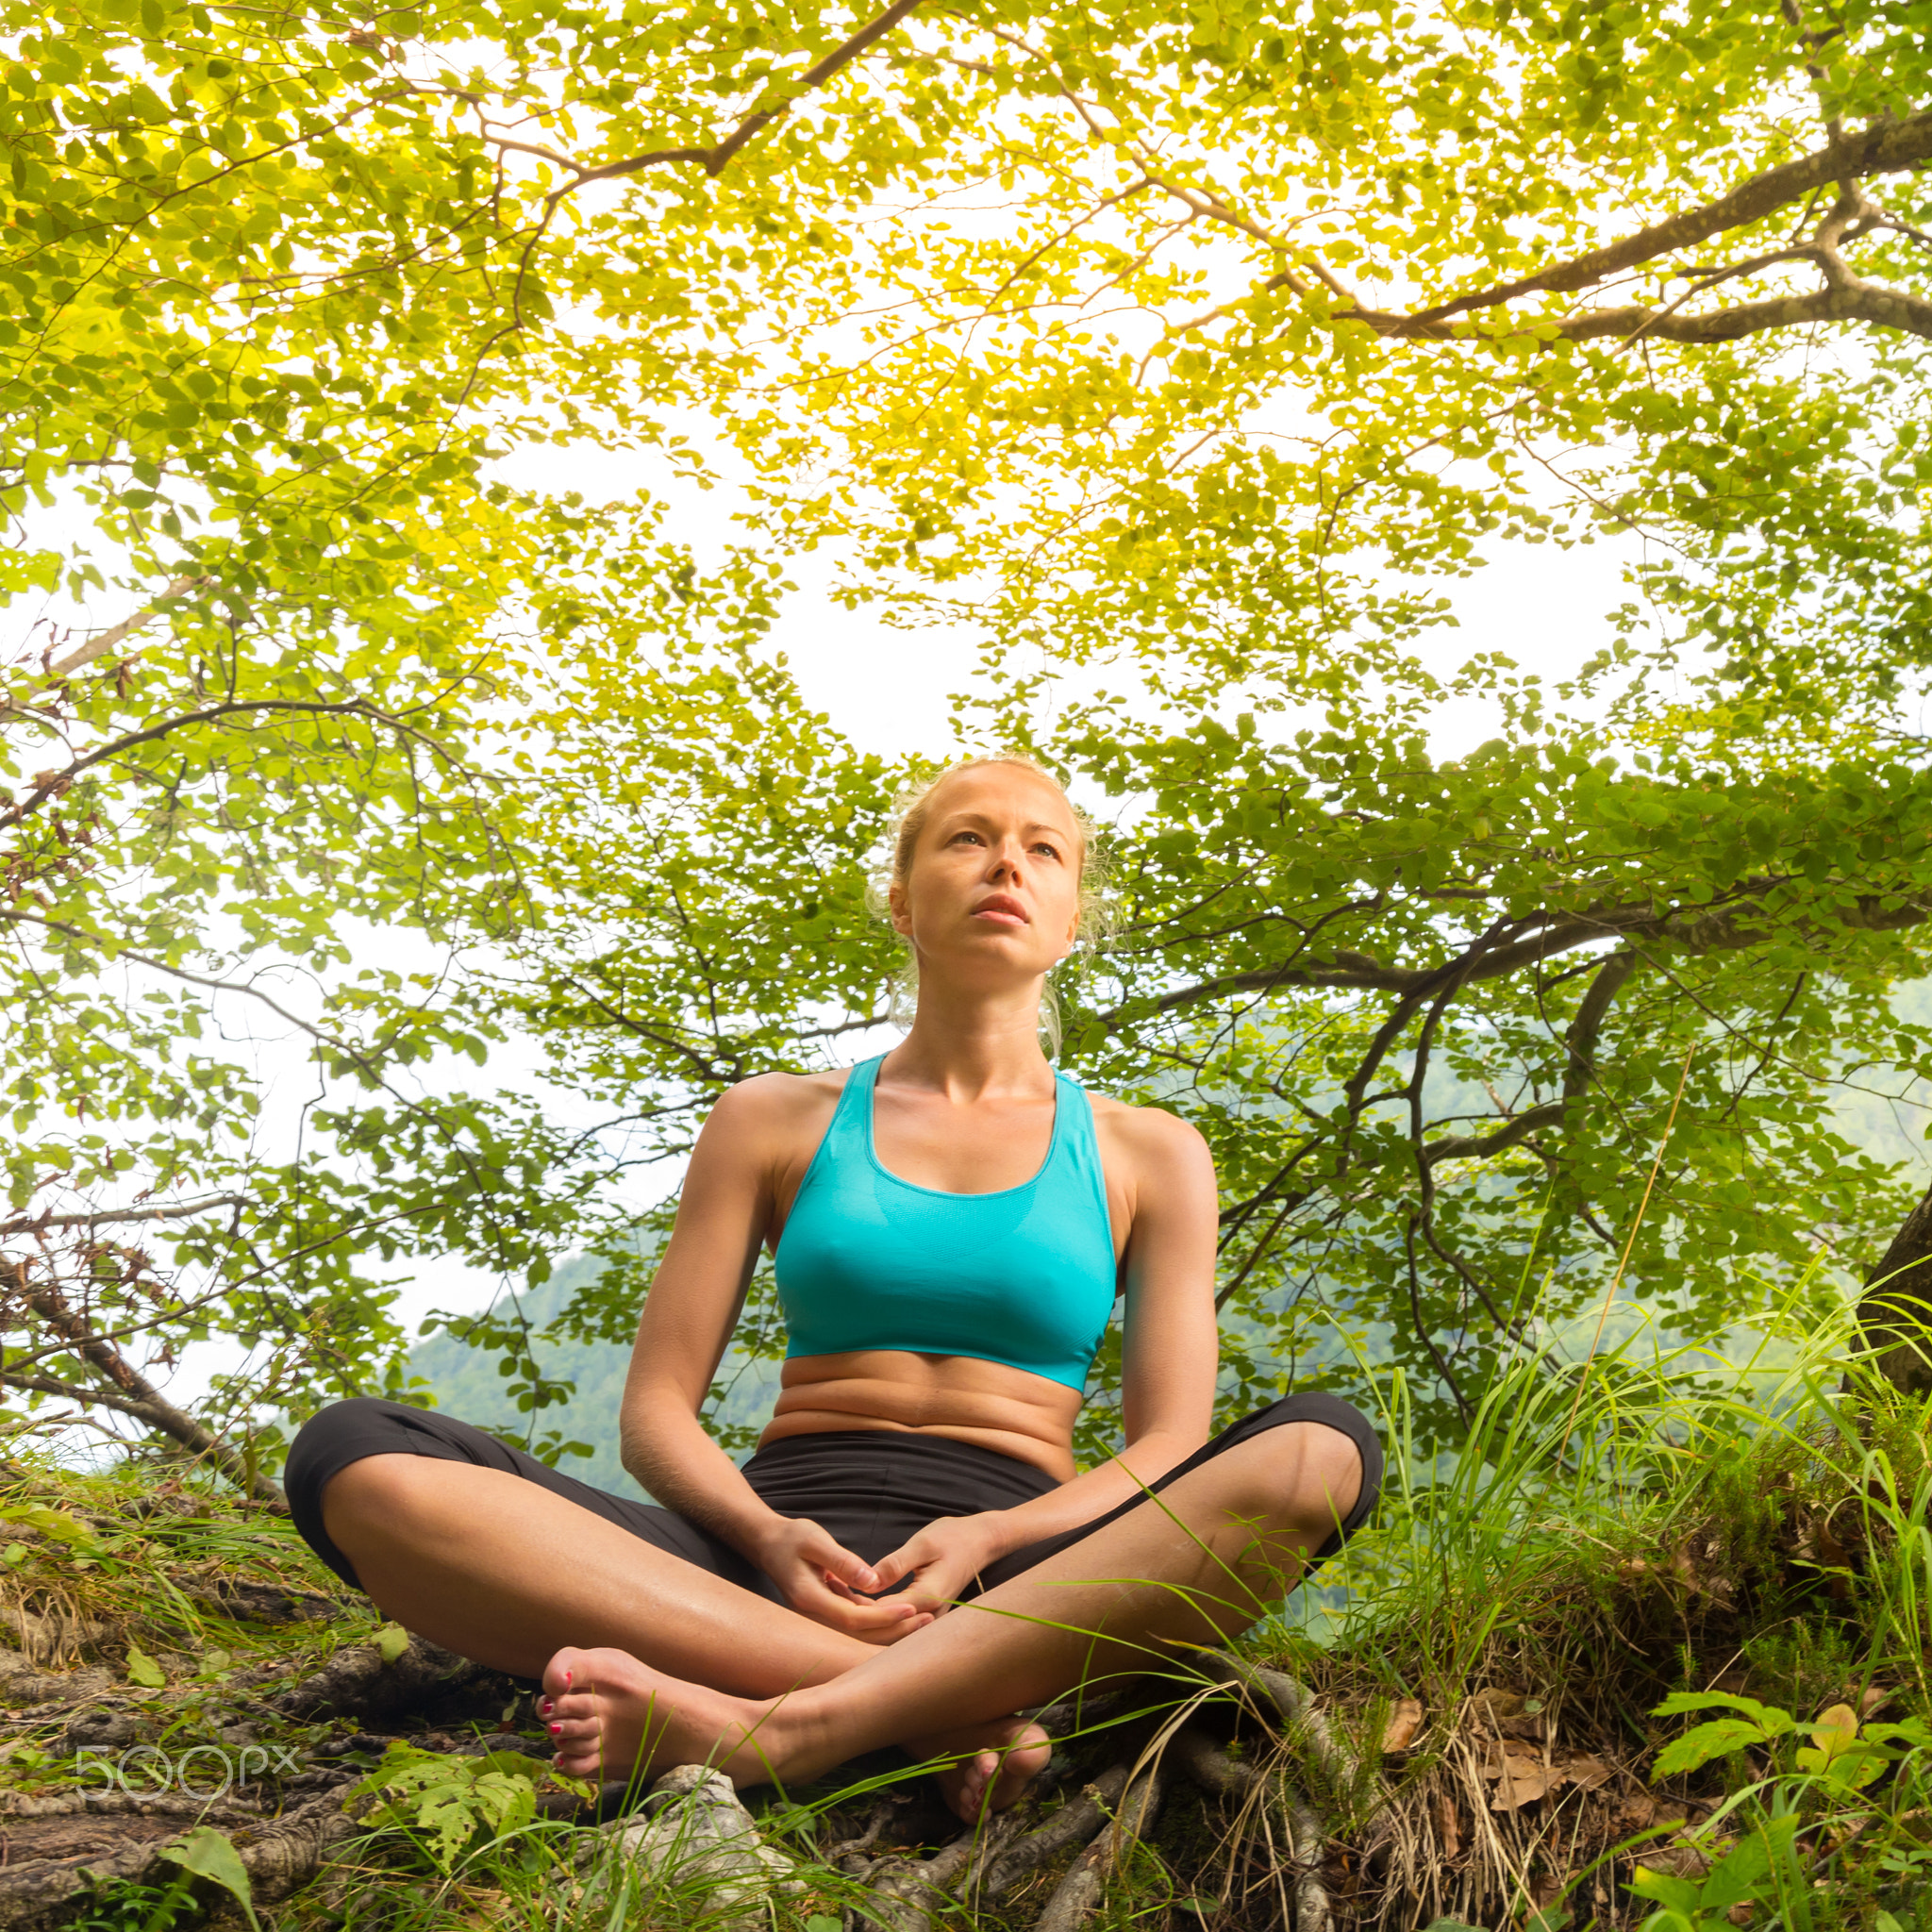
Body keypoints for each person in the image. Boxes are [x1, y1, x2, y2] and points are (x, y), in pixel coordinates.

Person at [283, 756, 1381, 1821]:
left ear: (1071, 920)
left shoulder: (1149, 1149)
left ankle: (786, 1726)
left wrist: (986, 1543)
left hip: (1020, 1567)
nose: (1006, 863)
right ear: (902, 901)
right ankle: (945, 1706)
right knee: (361, 1462)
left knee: (1315, 1451)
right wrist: (765, 1536)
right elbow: (656, 1416)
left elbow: (1166, 1442)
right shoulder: (774, 1116)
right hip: (759, 1558)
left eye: (1041, 849)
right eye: (968, 838)